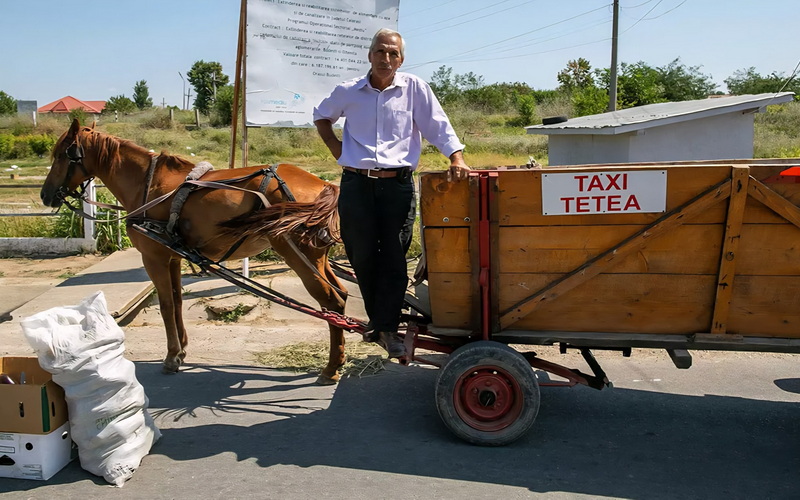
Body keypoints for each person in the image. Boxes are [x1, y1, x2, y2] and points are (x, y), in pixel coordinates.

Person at [313, 28, 470, 358]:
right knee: (363, 255)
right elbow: (321, 116)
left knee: (395, 257)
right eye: (381, 52)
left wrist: (456, 156)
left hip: (396, 184)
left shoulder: (414, 89)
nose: (386, 58)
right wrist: (336, 148)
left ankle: (387, 328)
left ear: (401, 59)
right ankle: (379, 323)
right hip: (356, 184)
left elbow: (437, 126)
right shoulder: (348, 91)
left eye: (393, 53)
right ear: (370, 55)